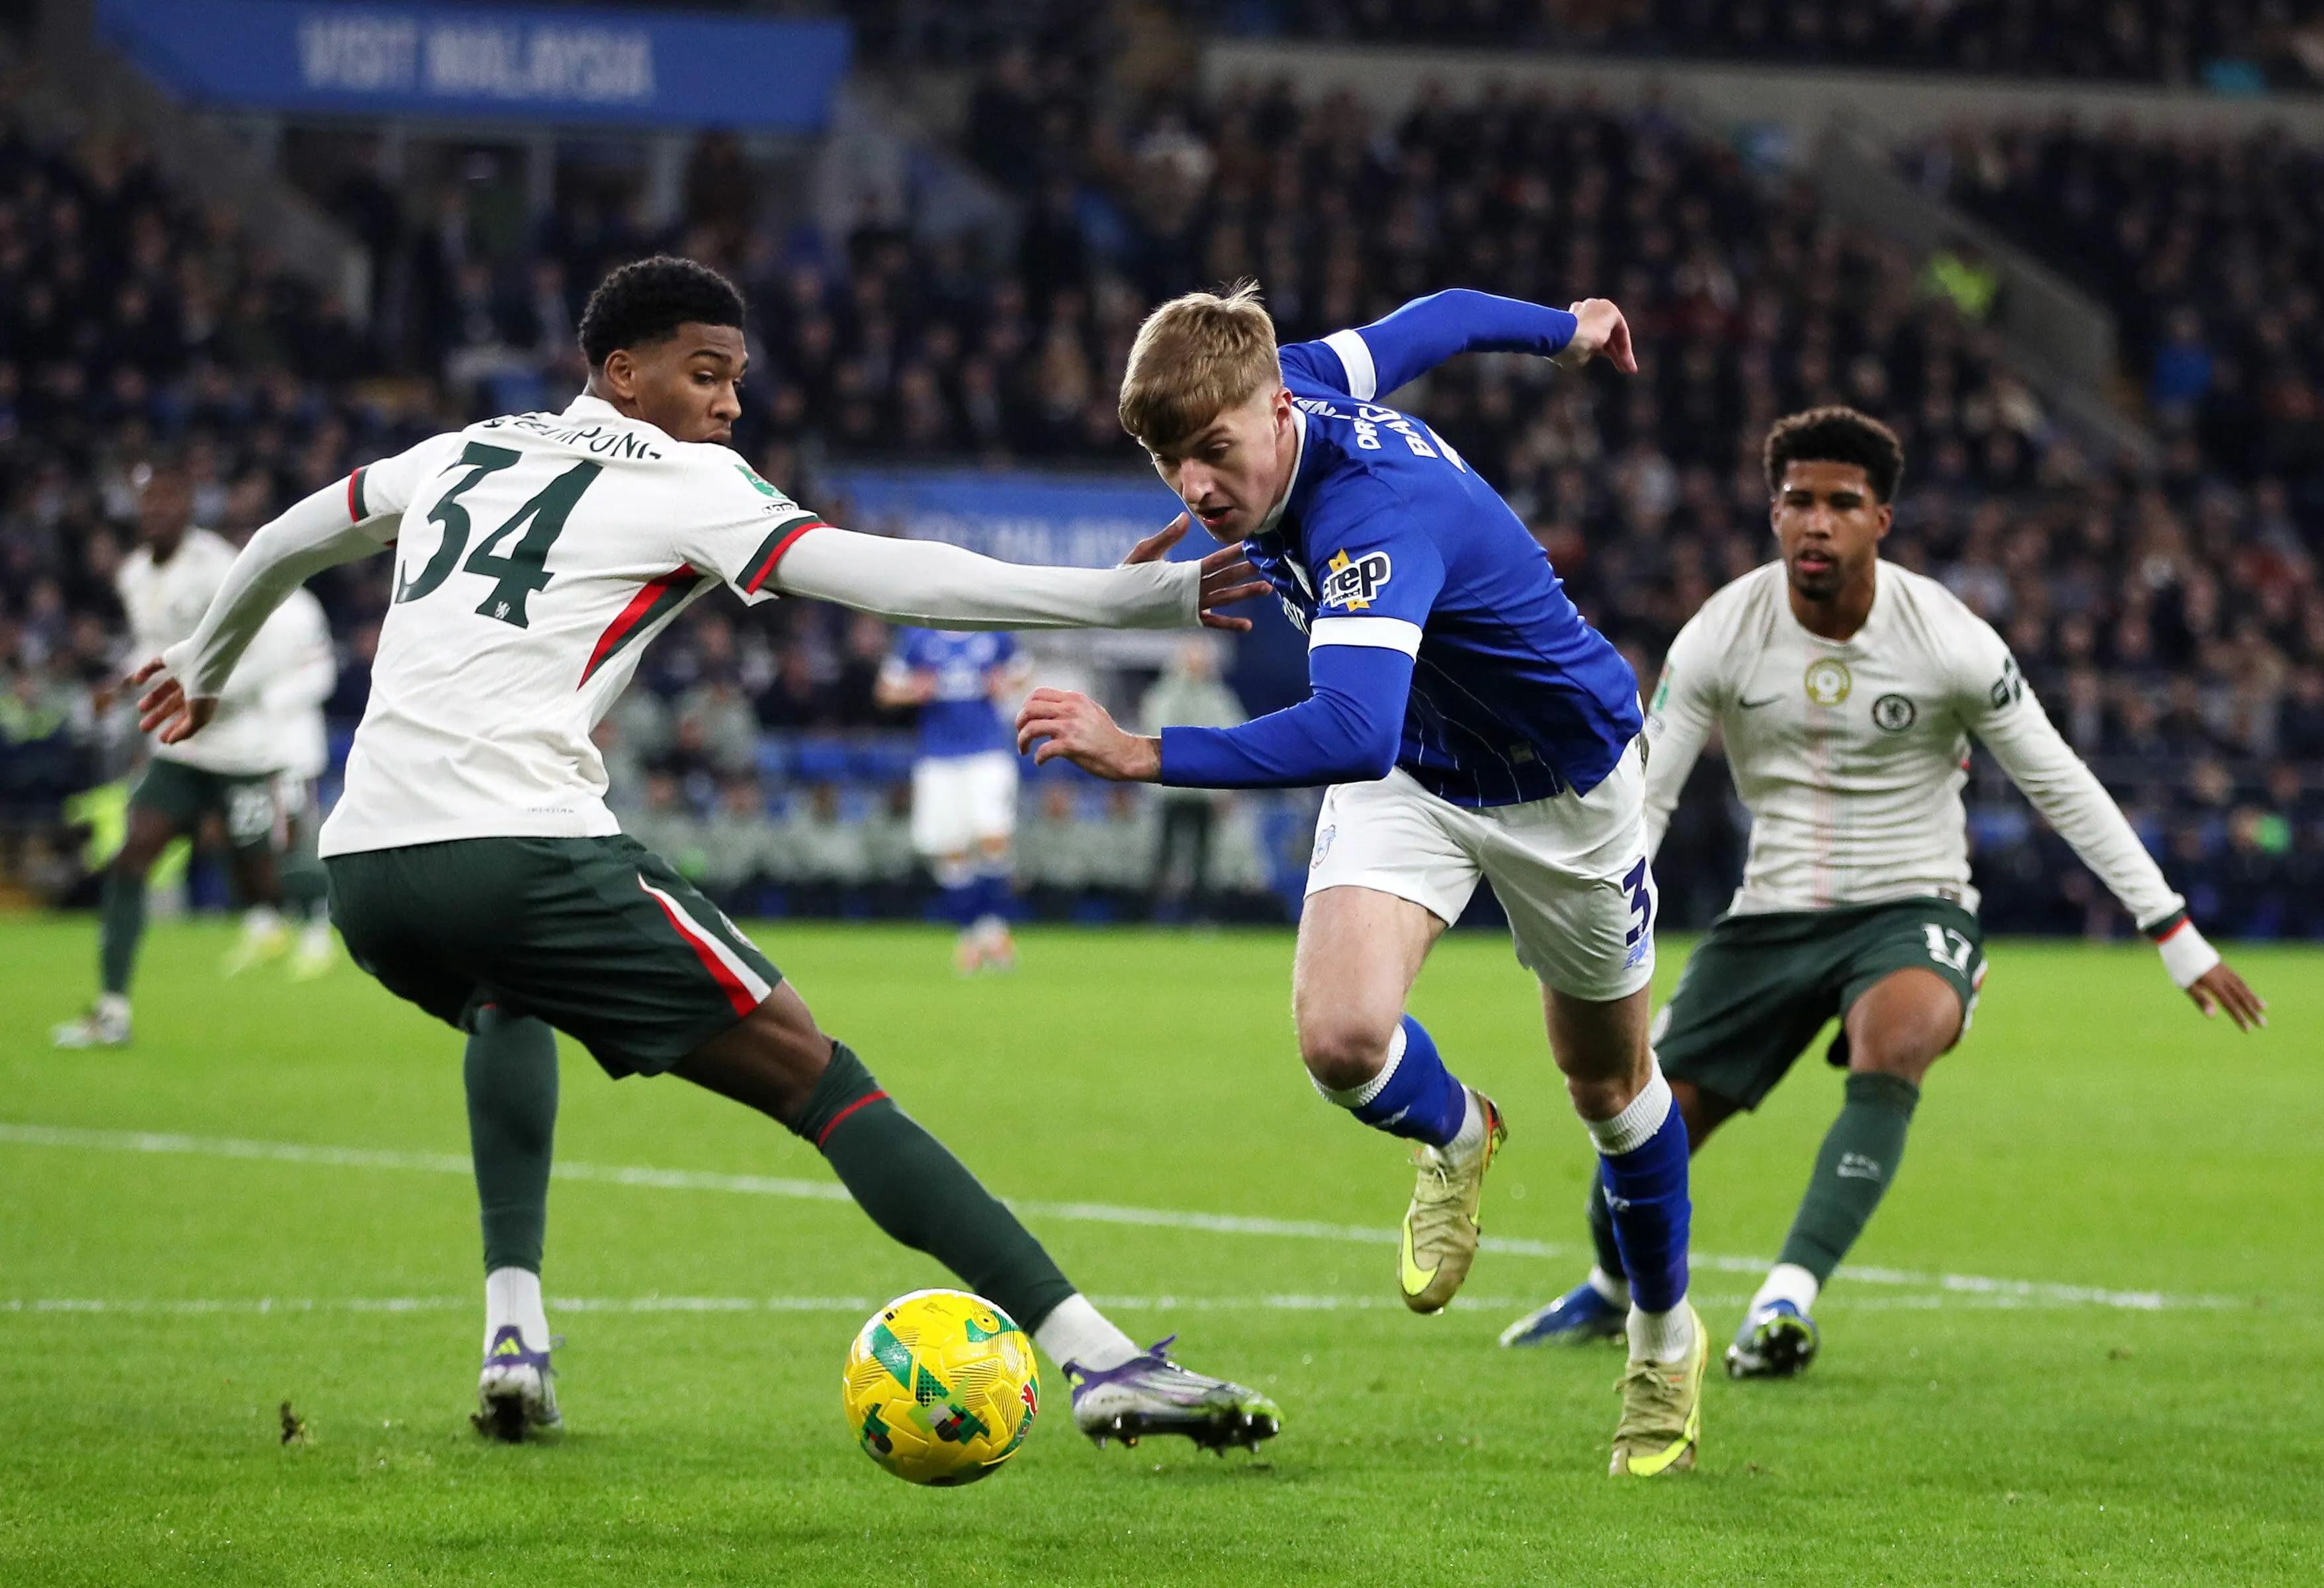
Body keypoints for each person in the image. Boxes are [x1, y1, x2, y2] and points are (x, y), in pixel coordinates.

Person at [130, 255, 1279, 1452]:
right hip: (519, 844)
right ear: (622, 374)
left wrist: (202, 671)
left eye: (736, 379)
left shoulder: (455, 452)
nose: (729, 402)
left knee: (505, 1003)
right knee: (820, 1079)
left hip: (367, 868)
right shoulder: (685, 480)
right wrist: (1122, 602)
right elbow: (895, 578)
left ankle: (512, 1334)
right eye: (705, 372)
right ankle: (1097, 1359)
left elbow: (277, 542)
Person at [1019, 283, 1708, 1478]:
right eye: (1169, 462)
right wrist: (1568, 328)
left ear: (1276, 409)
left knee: (1609, 1089)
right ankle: (1456, 1130)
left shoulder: (1372, 517)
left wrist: (1142, 751)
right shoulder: (1297, 381)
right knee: (1342, 1040)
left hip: (1565, 787)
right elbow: (1430, 321)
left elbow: (1348, 732)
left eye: (1213, 453)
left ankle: (1663, 1336)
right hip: (1422, 768)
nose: (1192, 487)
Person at [1499, 408, 2267, 1380]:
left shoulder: (1950, 638)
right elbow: (1646, 797)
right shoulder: (1720, 634)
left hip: (1916, 901)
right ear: (1773, 515)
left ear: (1881, 522)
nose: (1816, 523)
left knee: (1899, 1036)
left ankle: (1786, 1301)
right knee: (1638, 1118)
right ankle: (1613, 1291)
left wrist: (2173, 929)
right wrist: (1608, 921)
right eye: (1796, 503)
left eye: (1841, 505)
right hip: (1770, 914)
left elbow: (2058, 780)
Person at [53, 454, 302, 1047]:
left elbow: (267, 652)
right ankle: (113, 1011)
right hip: (180, 753)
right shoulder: (135, 573)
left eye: (168, 499)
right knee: (131, 858)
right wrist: (118, 686)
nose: (156, 510)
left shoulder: (219, 566)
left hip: (241, 748)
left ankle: (308, 921)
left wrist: (205, 694)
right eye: (147, 501)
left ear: (189, 506)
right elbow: (150, 648)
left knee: (262, 880)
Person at [876, 627, 1027, 972]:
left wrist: (1002, 684)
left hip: (986, 750)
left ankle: (992, 931)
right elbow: (886, 691)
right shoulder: (917, 636)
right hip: (938, 756)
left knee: (993, 838)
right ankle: (976, 937)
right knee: (951, 850)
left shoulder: (994, 630)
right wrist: (916, 689)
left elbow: (1022, 674)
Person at [222, 582, 339, 980]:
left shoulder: (300, 610)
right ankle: (266, 926)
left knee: (296, 842)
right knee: (250, 839)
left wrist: (266, 700)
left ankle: (317, 935)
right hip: (244, 750)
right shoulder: (242, 602)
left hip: (292, 749)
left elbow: (322, 675)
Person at [1137, 635, 1247, 920]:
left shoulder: (1218, 697)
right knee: (1164, 855)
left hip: (1203, 789)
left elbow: (1233, 736)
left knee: (1204, 859)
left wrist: (1226, 788)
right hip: (1171, 787)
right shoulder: (1166, 693)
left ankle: (1200, 916)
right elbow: (1158, 729)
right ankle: (1154, 916)